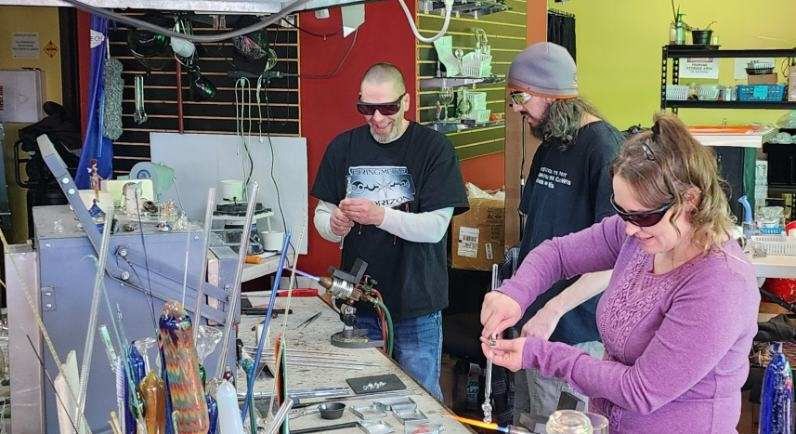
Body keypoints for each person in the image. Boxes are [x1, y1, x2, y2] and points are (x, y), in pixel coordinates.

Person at [480, 113, 759, 433]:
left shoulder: (720, 283)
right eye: (622, 211)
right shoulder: (641, 234)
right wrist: (514, 294)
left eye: (642, 216)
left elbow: (641, 391)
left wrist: (541, 354)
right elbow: (556, 254)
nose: (628, 228)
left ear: (689, 201)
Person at [311, 63, 469, 399]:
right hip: (359, 303)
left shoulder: (434, 149)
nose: (378, 118)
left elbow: (435, 228)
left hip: (417, 304)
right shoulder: (343, 147)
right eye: (367, 109)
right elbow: (322, 215)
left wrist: (378, 215)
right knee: (362, 398)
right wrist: (333, 224)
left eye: (388, 108)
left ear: (407, 102)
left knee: (420, 400)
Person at [505, 41, 622, 419]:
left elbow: (616, 257)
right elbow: (538, 234)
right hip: (534, 324)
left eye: (521, 96)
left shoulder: (604, 149)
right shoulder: (551, 145)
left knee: (560, 424)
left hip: (574, 332)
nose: (516, 107)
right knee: (530, 421)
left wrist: (553, 309)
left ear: (553, 94)